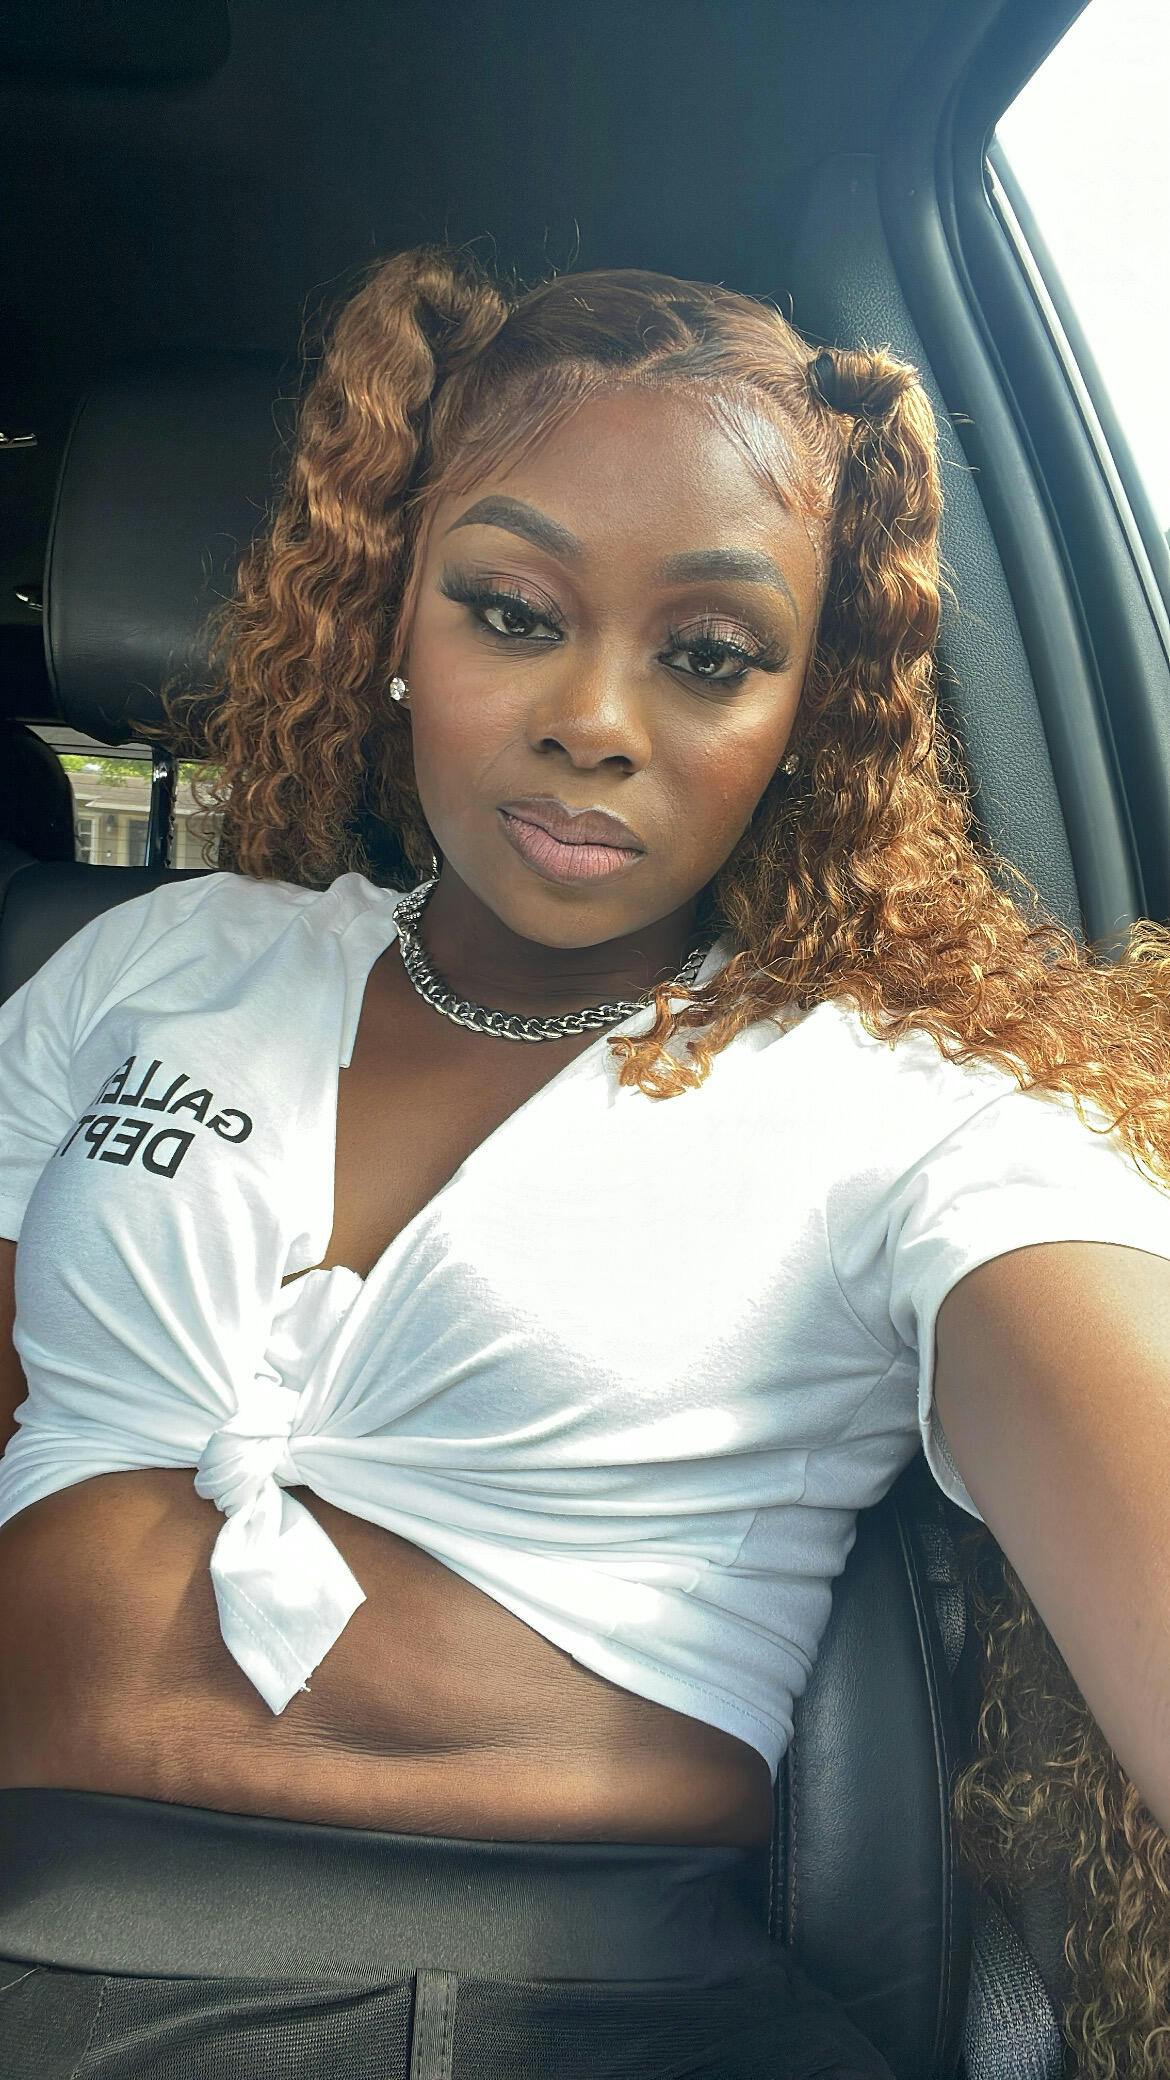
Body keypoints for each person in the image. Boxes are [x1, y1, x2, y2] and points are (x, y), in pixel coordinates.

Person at [2, 244, 1170, 2080]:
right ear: (393, 613)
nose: (595, 723)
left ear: (804, 712)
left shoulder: (916, 1116)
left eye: (708, 656)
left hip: (560, 2010)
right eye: (512, 611)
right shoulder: (155, 963)